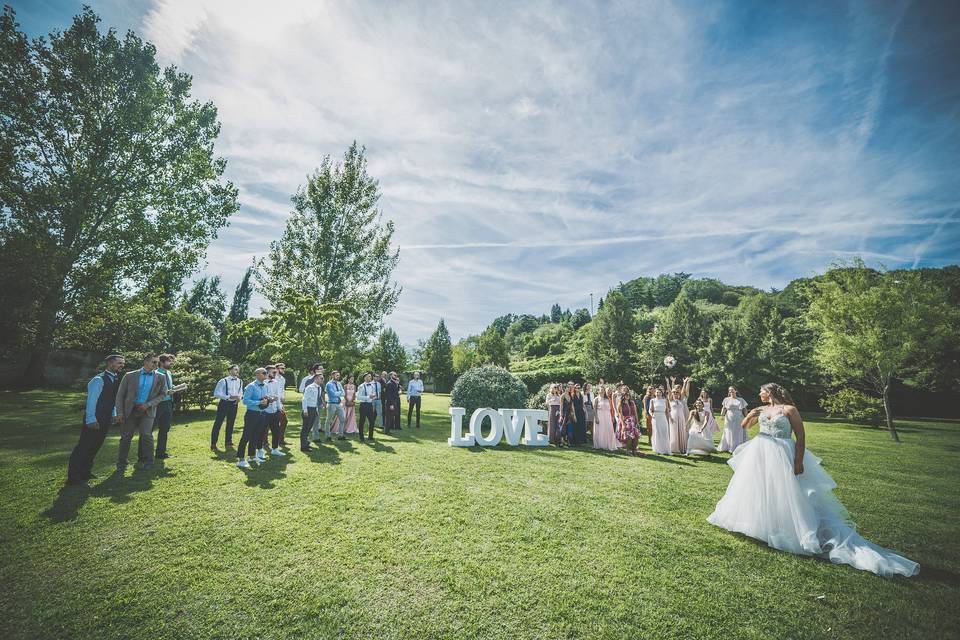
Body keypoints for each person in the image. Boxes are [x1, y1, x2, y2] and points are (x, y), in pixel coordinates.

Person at [708, 383, 919, 577]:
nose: (759, 394)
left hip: (782, 452)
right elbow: (745, 426)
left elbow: (800, 437)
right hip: (760, 452)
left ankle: (794, 527)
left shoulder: (789, 410)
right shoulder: (760, 409)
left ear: (770, 392)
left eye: (761, 391)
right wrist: (752, 414)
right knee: (758, 489)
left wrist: (798, 461)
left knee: (788, 491)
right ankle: (764, 525)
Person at [66, 354, 125, 485]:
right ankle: (73, 476)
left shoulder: (116, 379)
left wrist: (114, 414)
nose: (122, 365)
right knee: (84, 446)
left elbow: (113, 400)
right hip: (95, 418)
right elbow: (91, 401)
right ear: (110, 363)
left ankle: (85, 472)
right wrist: (91, 419)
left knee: (95, 446)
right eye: (119, 363)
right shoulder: (98, 380)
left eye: (123, 363)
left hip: (106, 418)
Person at [115, 354, 169, 471]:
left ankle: (148, 461)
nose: (156, 365)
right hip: (130, 410)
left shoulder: (161, 377)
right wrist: (119, 412)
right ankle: (121, 463)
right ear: (145, 362)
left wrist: (148, 405)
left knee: (146, 436)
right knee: (126, 437)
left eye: (157, 362)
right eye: (153, 362)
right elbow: (120, 395)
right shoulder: (130, 375)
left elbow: (163, 394)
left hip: (148, 411)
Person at [237, 368, 271, 468]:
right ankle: (241, 459)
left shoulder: (266, 386)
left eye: (266, 373)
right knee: (246, 436)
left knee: (256, 436)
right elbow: (245, 401)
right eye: (264, 373)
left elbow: (265, 398)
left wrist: (268, 400)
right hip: (252, 414)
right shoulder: (251, 386)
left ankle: (252, 456)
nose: (266, 374)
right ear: (257, 375)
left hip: (262, 414)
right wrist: (258, 402)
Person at [153, 354, 180, 460]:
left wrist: (176, 388)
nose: (171, 363)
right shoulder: (155, 373)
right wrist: (167, 392)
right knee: (149, 429)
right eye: (169, 361)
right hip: (158, 404)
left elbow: (169, 386)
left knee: (164, 429)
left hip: (168, 403)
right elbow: (154, 391)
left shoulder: (168, 373)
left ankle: (160, 453)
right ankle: (144, 455)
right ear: (162, 362)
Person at [211, 365, 243, 451]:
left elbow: (240, 392)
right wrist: (229, 397)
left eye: (238, 370)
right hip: (224, 404)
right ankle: (213, 444)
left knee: (231, 423)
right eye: (235, 369)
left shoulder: (240, 381)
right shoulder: (223, 381)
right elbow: (216, 393)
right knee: (218, 423)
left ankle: (228, 441)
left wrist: (239, 398)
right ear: (230, 371)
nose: (237, 371)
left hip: (234, 404)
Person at [262, 365, 286, 457]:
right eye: (274, 372)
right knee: (262, 430)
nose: (275, 374)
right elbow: (263, 396)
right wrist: (270, 399)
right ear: (267, 373)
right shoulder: (263, 382)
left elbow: (278, 395)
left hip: (275, 410)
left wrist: (280, 407)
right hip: (265, 410)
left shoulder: (276, 382)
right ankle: (259, 450)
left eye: (275, 372)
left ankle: (275, 449)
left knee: (276, 431)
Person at [719, 386, 749, 452]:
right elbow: (724, 408)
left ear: (736, 391)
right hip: (729, 417)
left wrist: (747, 417)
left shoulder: (741, 400)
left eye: (732, 390)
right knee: (729, 431)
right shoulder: (726, 399)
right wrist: (722, 415)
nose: (731, 392)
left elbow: (744, 409)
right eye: (730, 390)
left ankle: (738, 446)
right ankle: (728, 446)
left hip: (739, 417)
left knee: (738, 431)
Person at [300, 373, 324, 452]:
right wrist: (305, 410)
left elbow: (316, 400)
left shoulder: (319, 388)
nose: (322, 380)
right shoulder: (310, 387)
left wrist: (316, 410)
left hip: (314, 409)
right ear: (316, 378)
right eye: (321, 378)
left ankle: (306, 442)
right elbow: (304, 399)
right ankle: (303, 446)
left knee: (309, 428)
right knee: (305, 428)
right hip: (308, 409)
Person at [592, 385, 619, 451]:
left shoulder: (607, 399)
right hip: (599, 415)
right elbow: (594, 409)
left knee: (608, 429)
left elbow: (610, 409)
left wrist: (612, 417)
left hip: (607, 416)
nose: (602, 391)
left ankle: (608, 444)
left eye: (603, 390)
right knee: (600, 430)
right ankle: (600, 445)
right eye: (601, 389)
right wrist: (596, 418)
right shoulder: (596, 399)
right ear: (598, 391)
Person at [617, 388, 642, 456]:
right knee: (629, 436)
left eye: (628, 395)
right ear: (623, 395)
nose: (627, 396)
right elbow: (620, 415)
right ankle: (628, 450)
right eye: (626, 395)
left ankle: (634, 450)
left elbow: (635, 412)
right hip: (625, 421)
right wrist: (623, 424)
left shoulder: (632, 402)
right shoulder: (621, 403)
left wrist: (637, 421)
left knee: (636, 436)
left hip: (633, 421)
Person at [323, 371, 347, 440]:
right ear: (332, 375)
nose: (338, 376)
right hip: (331, 404)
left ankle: (340, 435)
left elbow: (343, 393)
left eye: (339, 375)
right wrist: (340, 393)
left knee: (343, 419)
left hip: (339, 404)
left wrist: (338, 393)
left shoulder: (339, 383)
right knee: (329, 420)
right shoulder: (329, 384)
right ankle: (328, 436)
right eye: (337, 375)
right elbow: (332, 394)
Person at [649, 387, 672, 455]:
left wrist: (669, 418)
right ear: (655, 393)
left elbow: (667, 410)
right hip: (655, 417)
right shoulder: (652, 400)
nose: (658, 394)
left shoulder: (665, 400)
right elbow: (650, 410)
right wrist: (652, 415)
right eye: (657, 392)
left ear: (662, 393)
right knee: (657, 432)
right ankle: (657, 449)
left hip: (663, 417)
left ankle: (665, 449)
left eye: (659, 392)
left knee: (664, 432)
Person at [357, 372, 378, 440]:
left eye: (370, 376)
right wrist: (368, 397)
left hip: (370, 405)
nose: (370, 378)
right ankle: (361, 436)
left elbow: (374, 395)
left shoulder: (372, 386)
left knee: (372, 421)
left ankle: (370, 436)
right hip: (363, 405)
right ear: (365, 377)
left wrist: (374, 396)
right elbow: (359, 397)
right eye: (369, 376)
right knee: (362, 421)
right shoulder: (361, 386)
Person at [275, 362, 289, 446]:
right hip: (272, 403)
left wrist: (283, 397)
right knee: (269, 424)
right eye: (282, 368)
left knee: (284, 421)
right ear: (276, 369)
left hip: (280, 403)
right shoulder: (273, 378)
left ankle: (281, 440)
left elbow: (282, 390)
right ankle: (264, 442)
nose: (284, 370)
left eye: (284, 368)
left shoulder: (283, 379)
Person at [342, 374, 360, 438]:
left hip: (352, 401)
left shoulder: (354, 386)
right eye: (351, 379)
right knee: (344, 415)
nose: (352, 380)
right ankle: (343, 428)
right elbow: (344, 394)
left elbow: (354, 394)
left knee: (351, 415)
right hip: (346, 401)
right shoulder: (345, 386)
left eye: (353, 379)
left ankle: (350, 428)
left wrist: (352, 401)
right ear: (348, 379)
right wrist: (347, 401)